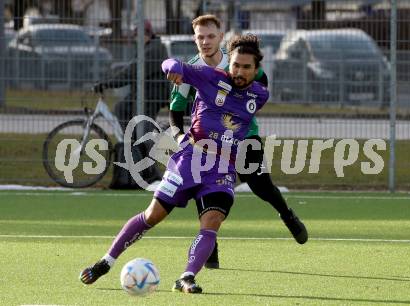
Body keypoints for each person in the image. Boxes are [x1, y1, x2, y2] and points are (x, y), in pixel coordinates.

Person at [80, 34, 269, 293]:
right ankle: (105, 262)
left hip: (222, 168)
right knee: (152, 216)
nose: (239, 71)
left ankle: (186, 277)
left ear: (256, 70)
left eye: (246, 67)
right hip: (189, 160)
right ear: (229, 64)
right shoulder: (211, 77)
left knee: (212, 221)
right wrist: (173, 72)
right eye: (235, 65)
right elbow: (169, 63)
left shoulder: (259, 94)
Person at [169, 14, 308, 269]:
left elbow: (262, 81)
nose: (205, 41)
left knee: (260, 184)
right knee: (206, 188)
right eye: (200, 37)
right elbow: (175, 110)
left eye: (211, 36)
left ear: (220, 37)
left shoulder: (238, 60)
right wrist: (180, 135)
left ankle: (287, 215)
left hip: (244, 137)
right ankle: (210, 245)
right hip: (206, 142)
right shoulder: (192, 69)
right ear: (194, 39)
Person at [92, 19, 169, 184]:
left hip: (151, 96)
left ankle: (154, 174)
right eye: (136, 36)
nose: (138, 38)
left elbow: (132, 72)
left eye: (143, 34)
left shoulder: (156, 49)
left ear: (149, 34)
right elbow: (130, 71)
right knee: (121, 108)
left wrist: (107, 83)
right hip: (141, 94)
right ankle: (133, 144)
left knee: (143, 134)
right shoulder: (146, 48)